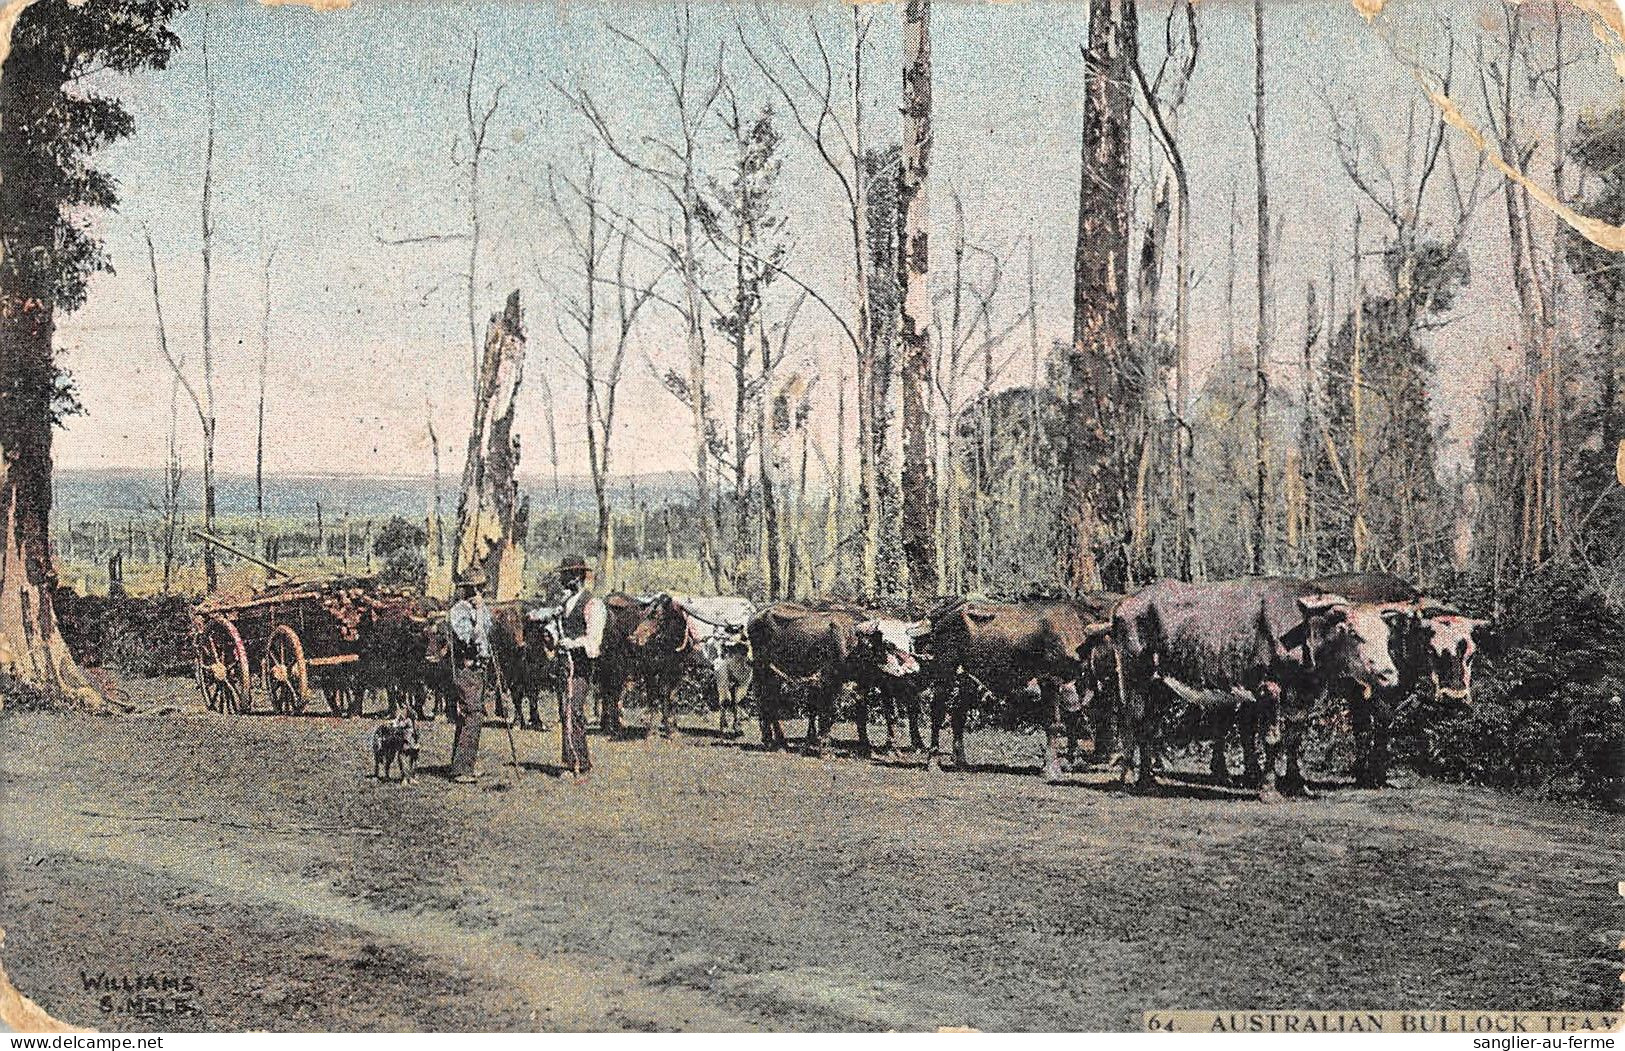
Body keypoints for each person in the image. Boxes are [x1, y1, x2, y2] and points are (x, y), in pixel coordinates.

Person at [554, 555, 606, 779]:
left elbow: (594, 641)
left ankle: (580, 764)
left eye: (566, 575)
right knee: (565, 711)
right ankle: (570, 761)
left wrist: (573, 643)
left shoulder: (593, 604)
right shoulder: (566, 603)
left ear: (577, 576)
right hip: (565, 664)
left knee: (573, 711)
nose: (562, 579)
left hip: (580, 666)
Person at [446, 569, 492, 783]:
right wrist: (480, 613)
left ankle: (464, 764)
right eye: (479, 588)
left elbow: (488, 633)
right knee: (472, 713)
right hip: (466, 668)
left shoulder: (479, 610)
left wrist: (482, 612)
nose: (482, 592)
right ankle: (461, 769)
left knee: (473, 713)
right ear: (470, 589)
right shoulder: (459, 611)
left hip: (480, 668)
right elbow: (469, 638)